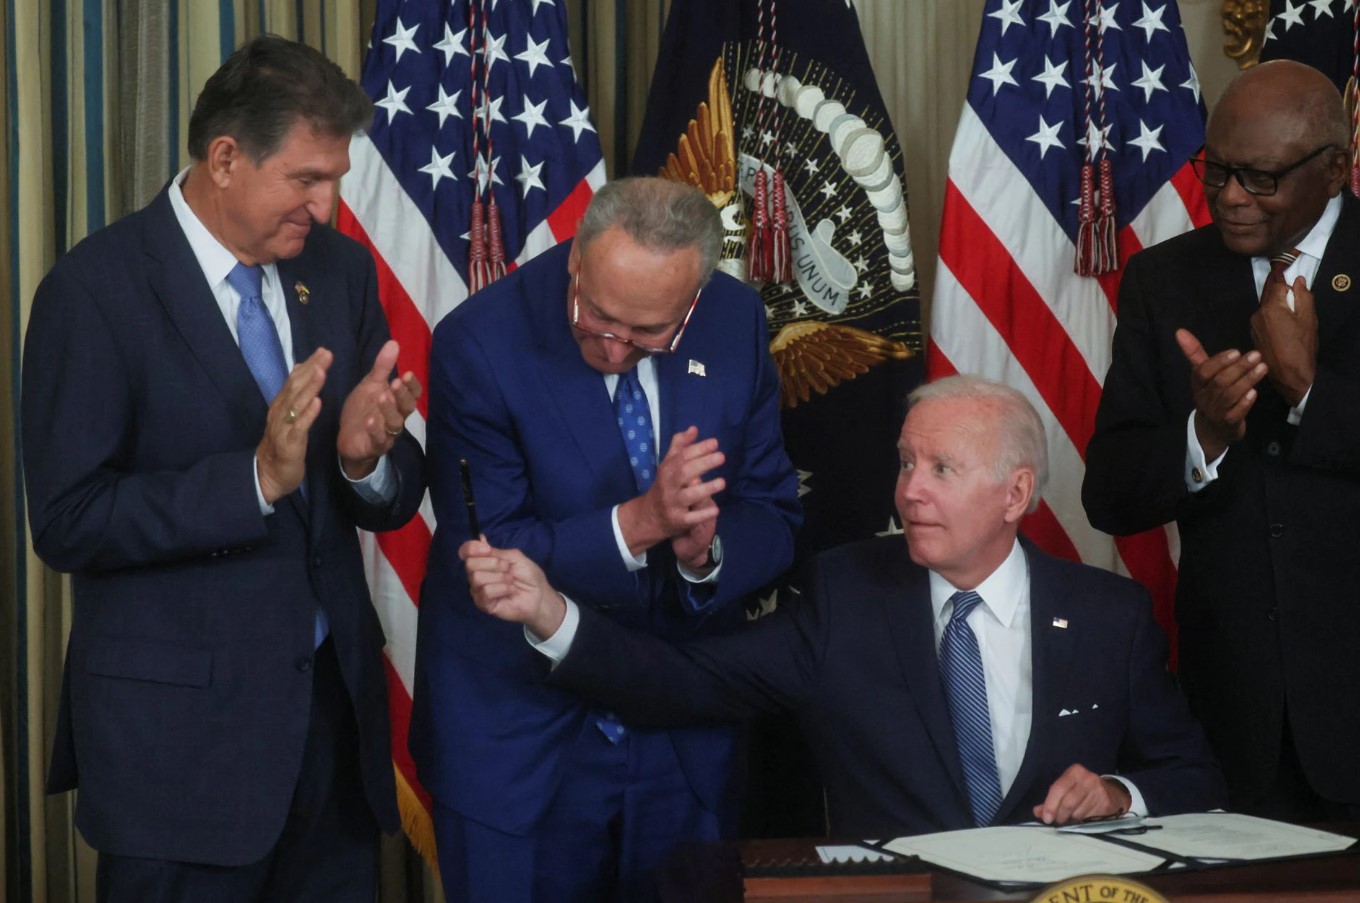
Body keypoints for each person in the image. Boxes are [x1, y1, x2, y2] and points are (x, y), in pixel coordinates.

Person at [461, 375, 1227, 838]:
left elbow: (1193, 775)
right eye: (905, 463)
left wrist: (1119, 792)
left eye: (941, 468)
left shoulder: (1108, 615)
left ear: (1015, 494)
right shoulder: (850, 595)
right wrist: (551, 613)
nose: (908, 490)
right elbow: (685, 679)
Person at [21, 35, 426, 902]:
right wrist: (253, 481)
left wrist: (363, 462)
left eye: (336, 179)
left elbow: (384, 483)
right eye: (305, 180)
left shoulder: (342, 272)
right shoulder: (93, 292)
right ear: (226, 158)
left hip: (329, 731)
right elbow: (67, 517)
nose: (325, 205)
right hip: (178, 758)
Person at [409, 176, 802, 901]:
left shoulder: (735, 319)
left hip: (682, 737)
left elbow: (773, 510)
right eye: (597, 316)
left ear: (692, 301)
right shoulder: (481, 341)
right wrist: (640, 523)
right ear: (575, 264)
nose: (615, 345)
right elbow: (493, 556)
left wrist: (703, 554)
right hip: (524, 740)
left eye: (647, 331)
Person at [1083, 60, 1360, 822]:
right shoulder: (1164, 280)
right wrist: (1201, 434)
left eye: (1261, 178)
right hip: (1231, 728)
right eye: (1219, 170)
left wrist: (1310, 392)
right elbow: (1108, 491)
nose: (1231, 196)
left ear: (1334, 171)